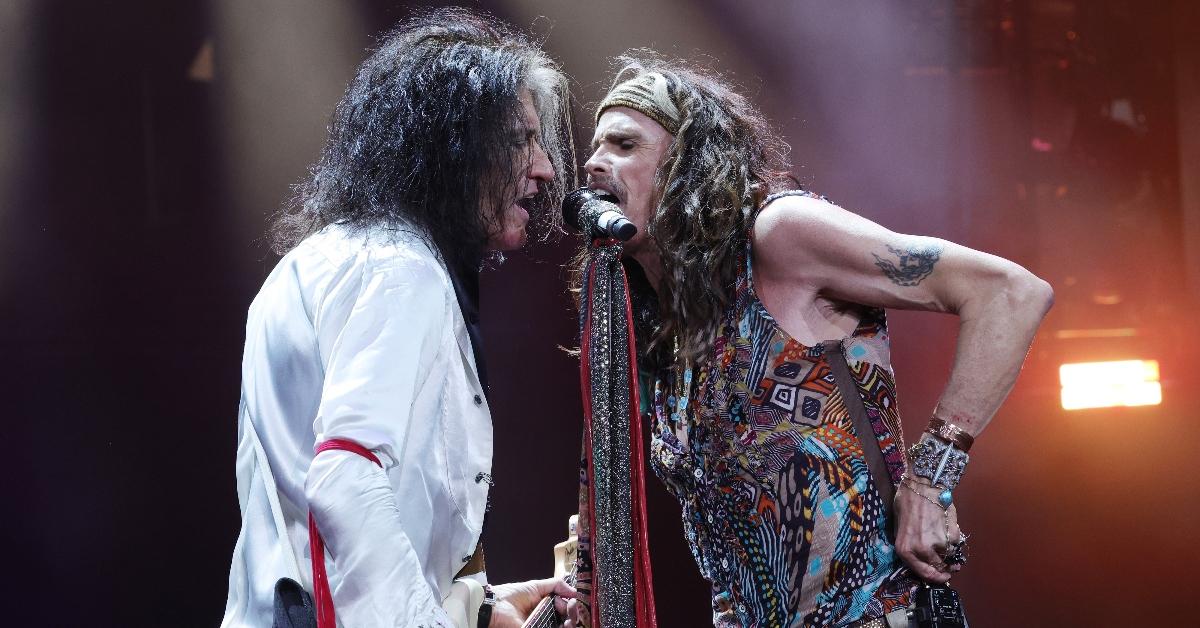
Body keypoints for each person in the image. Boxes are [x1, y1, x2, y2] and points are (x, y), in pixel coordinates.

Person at [573, 52, 1054, 627]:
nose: (594, 165)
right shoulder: (661, 323)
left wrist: (930, 481)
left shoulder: (778, 236)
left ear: (688, 166)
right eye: (596, 148)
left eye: (624, 146)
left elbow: (1010, 292)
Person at [222, 9, 576, 627]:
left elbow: (315, 532)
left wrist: (475, 608)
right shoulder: (401, 270)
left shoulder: (315, 263)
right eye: (521, 138)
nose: (545, 168)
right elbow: (345, 479)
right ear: (457, 144)